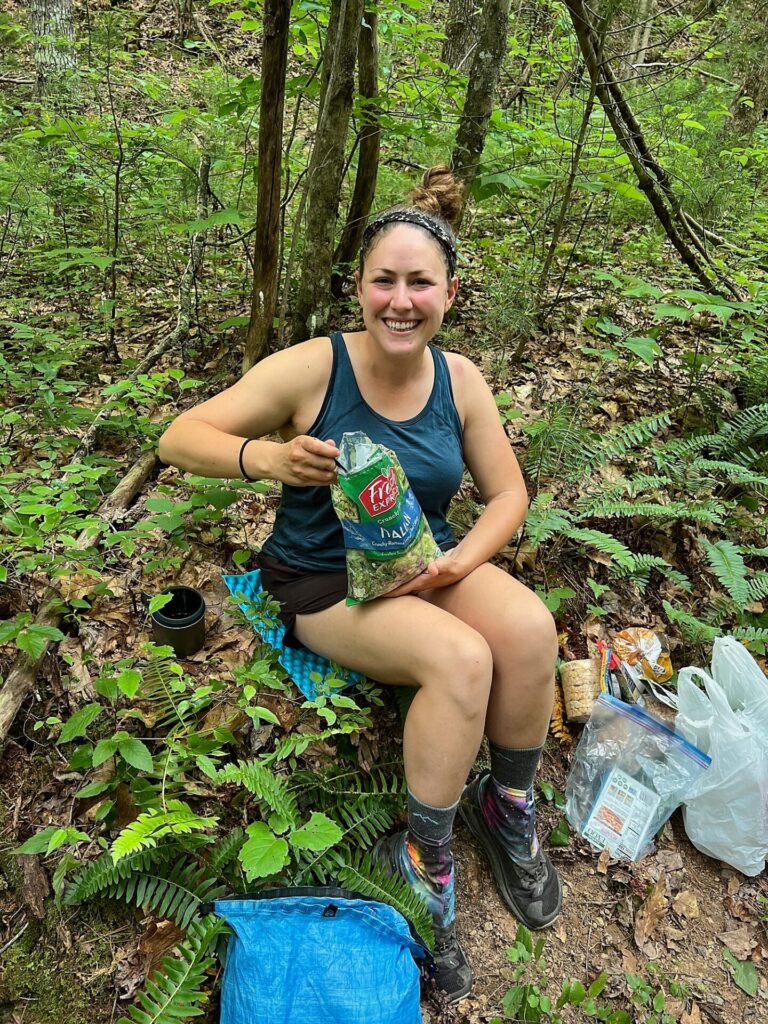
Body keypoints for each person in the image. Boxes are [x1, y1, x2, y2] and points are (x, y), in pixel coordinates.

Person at [158, 165, 561, 1003]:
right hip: (322, 582)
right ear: (359, 287)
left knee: (529, 630)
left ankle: (508, 806)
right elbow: (180, 437)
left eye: (420, 283)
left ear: (450, 293)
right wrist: (266, 457)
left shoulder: (461, 380)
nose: (401, 301)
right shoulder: (315, 367)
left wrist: (462, 560)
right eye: (385, 281)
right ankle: (422, 861)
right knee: (461, 660)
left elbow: (510, 495)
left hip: (422, 558)